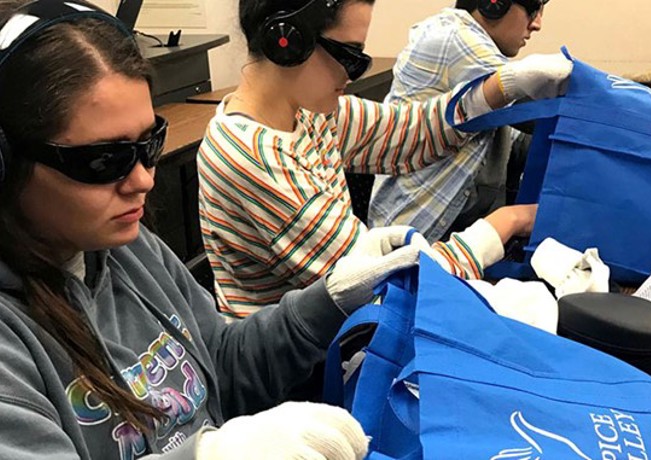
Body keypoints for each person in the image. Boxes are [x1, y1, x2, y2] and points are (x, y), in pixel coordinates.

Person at [0, 0, 429, 457]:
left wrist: (331, 297)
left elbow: (222, 362)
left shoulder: (123, 246)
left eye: (150, 143)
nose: (144, 179)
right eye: (105, 160)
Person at [198, 0, 571, 315]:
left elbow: (407, 131)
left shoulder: (308, 113)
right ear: (286, 42)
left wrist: (501, 86)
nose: (355, 72)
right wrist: (505, 223)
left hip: (347, 329)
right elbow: (383, 285)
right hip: (298, 375)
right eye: (348, 55)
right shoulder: (252, 158)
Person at [368, 0, 547, 243]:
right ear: (495, 3)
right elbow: (540, 112)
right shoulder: (454, 38)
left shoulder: (478, 51)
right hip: (412, 242)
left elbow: (514, 140)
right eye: (533, 8)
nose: (537, 24)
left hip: (448, 231)